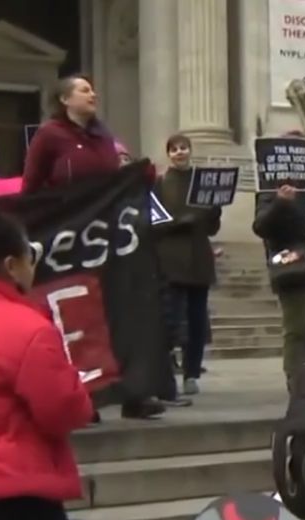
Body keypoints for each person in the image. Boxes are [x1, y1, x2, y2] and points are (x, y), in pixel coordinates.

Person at [0, 199, 93, 520]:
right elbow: (63, 410)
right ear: (11, 265)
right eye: (31, 256)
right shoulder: (27, 328)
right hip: (19, 501)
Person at [252, 132, 305, 390]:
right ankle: (295, 379)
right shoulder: (271, 189)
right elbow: (260, 226)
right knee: (296, 328)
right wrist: (280, 203)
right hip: (291, 267)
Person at [115, 141, 191, 413]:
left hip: (147, 271)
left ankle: (160, 390)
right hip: (117, 277)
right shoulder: (105, 197)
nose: (123, 163)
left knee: (157, 332)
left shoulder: (143, 193)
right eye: (118, 159)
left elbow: (160, 223)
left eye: (127, 158)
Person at [153, 133, 221, 396]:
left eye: (184, 148)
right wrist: (180, 222)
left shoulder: (203, 183)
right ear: (168, 153)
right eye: (174, 149)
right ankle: (167, 371)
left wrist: (214, 212)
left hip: (198, 259)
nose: (180, 153)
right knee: (171, 319)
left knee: (196, 320)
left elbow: (212, 228)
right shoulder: (159, 183)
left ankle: (192, 373)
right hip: (170, 259)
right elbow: (154, 221)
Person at [22, 74, 119, 193]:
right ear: (65, 99)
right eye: (85, 91)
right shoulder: (49, 134)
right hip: (66, 208)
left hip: (104, 207)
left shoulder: (103, 134)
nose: (93, 95)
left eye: (92, 91)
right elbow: (31, 184)